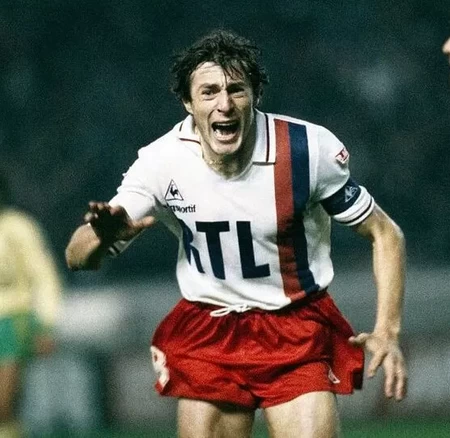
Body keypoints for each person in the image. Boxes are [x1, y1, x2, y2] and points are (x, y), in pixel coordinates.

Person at [65, 30, 407, 437]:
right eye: (209, 92)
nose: (224, 104)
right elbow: (76, 258)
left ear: (255, 95)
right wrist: (102, 236)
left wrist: (387, 331)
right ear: (188, 103)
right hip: (210, 329)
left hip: (296, 326)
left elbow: (385, 234)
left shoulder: (306, 150)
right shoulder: (162, 162)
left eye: (236, 89)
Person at [0, 175, 62, 438]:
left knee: (3, 406)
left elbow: (44, 277)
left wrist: (46, 324)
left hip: (12, 321)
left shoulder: (18, 227)